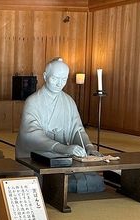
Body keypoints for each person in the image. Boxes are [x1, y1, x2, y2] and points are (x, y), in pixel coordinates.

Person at [15, 58, 104, 193]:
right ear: (45, 76)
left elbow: (77, 130)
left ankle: (62, 182)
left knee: (94, 181)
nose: (59, 84)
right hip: (37, 157)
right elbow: (31, 135)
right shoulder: (33, 102)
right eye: (55, 78)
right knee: (37, 182)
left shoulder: (68, 101)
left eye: (64, 79)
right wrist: (63, 148)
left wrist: (89, 147)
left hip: (63, 158)